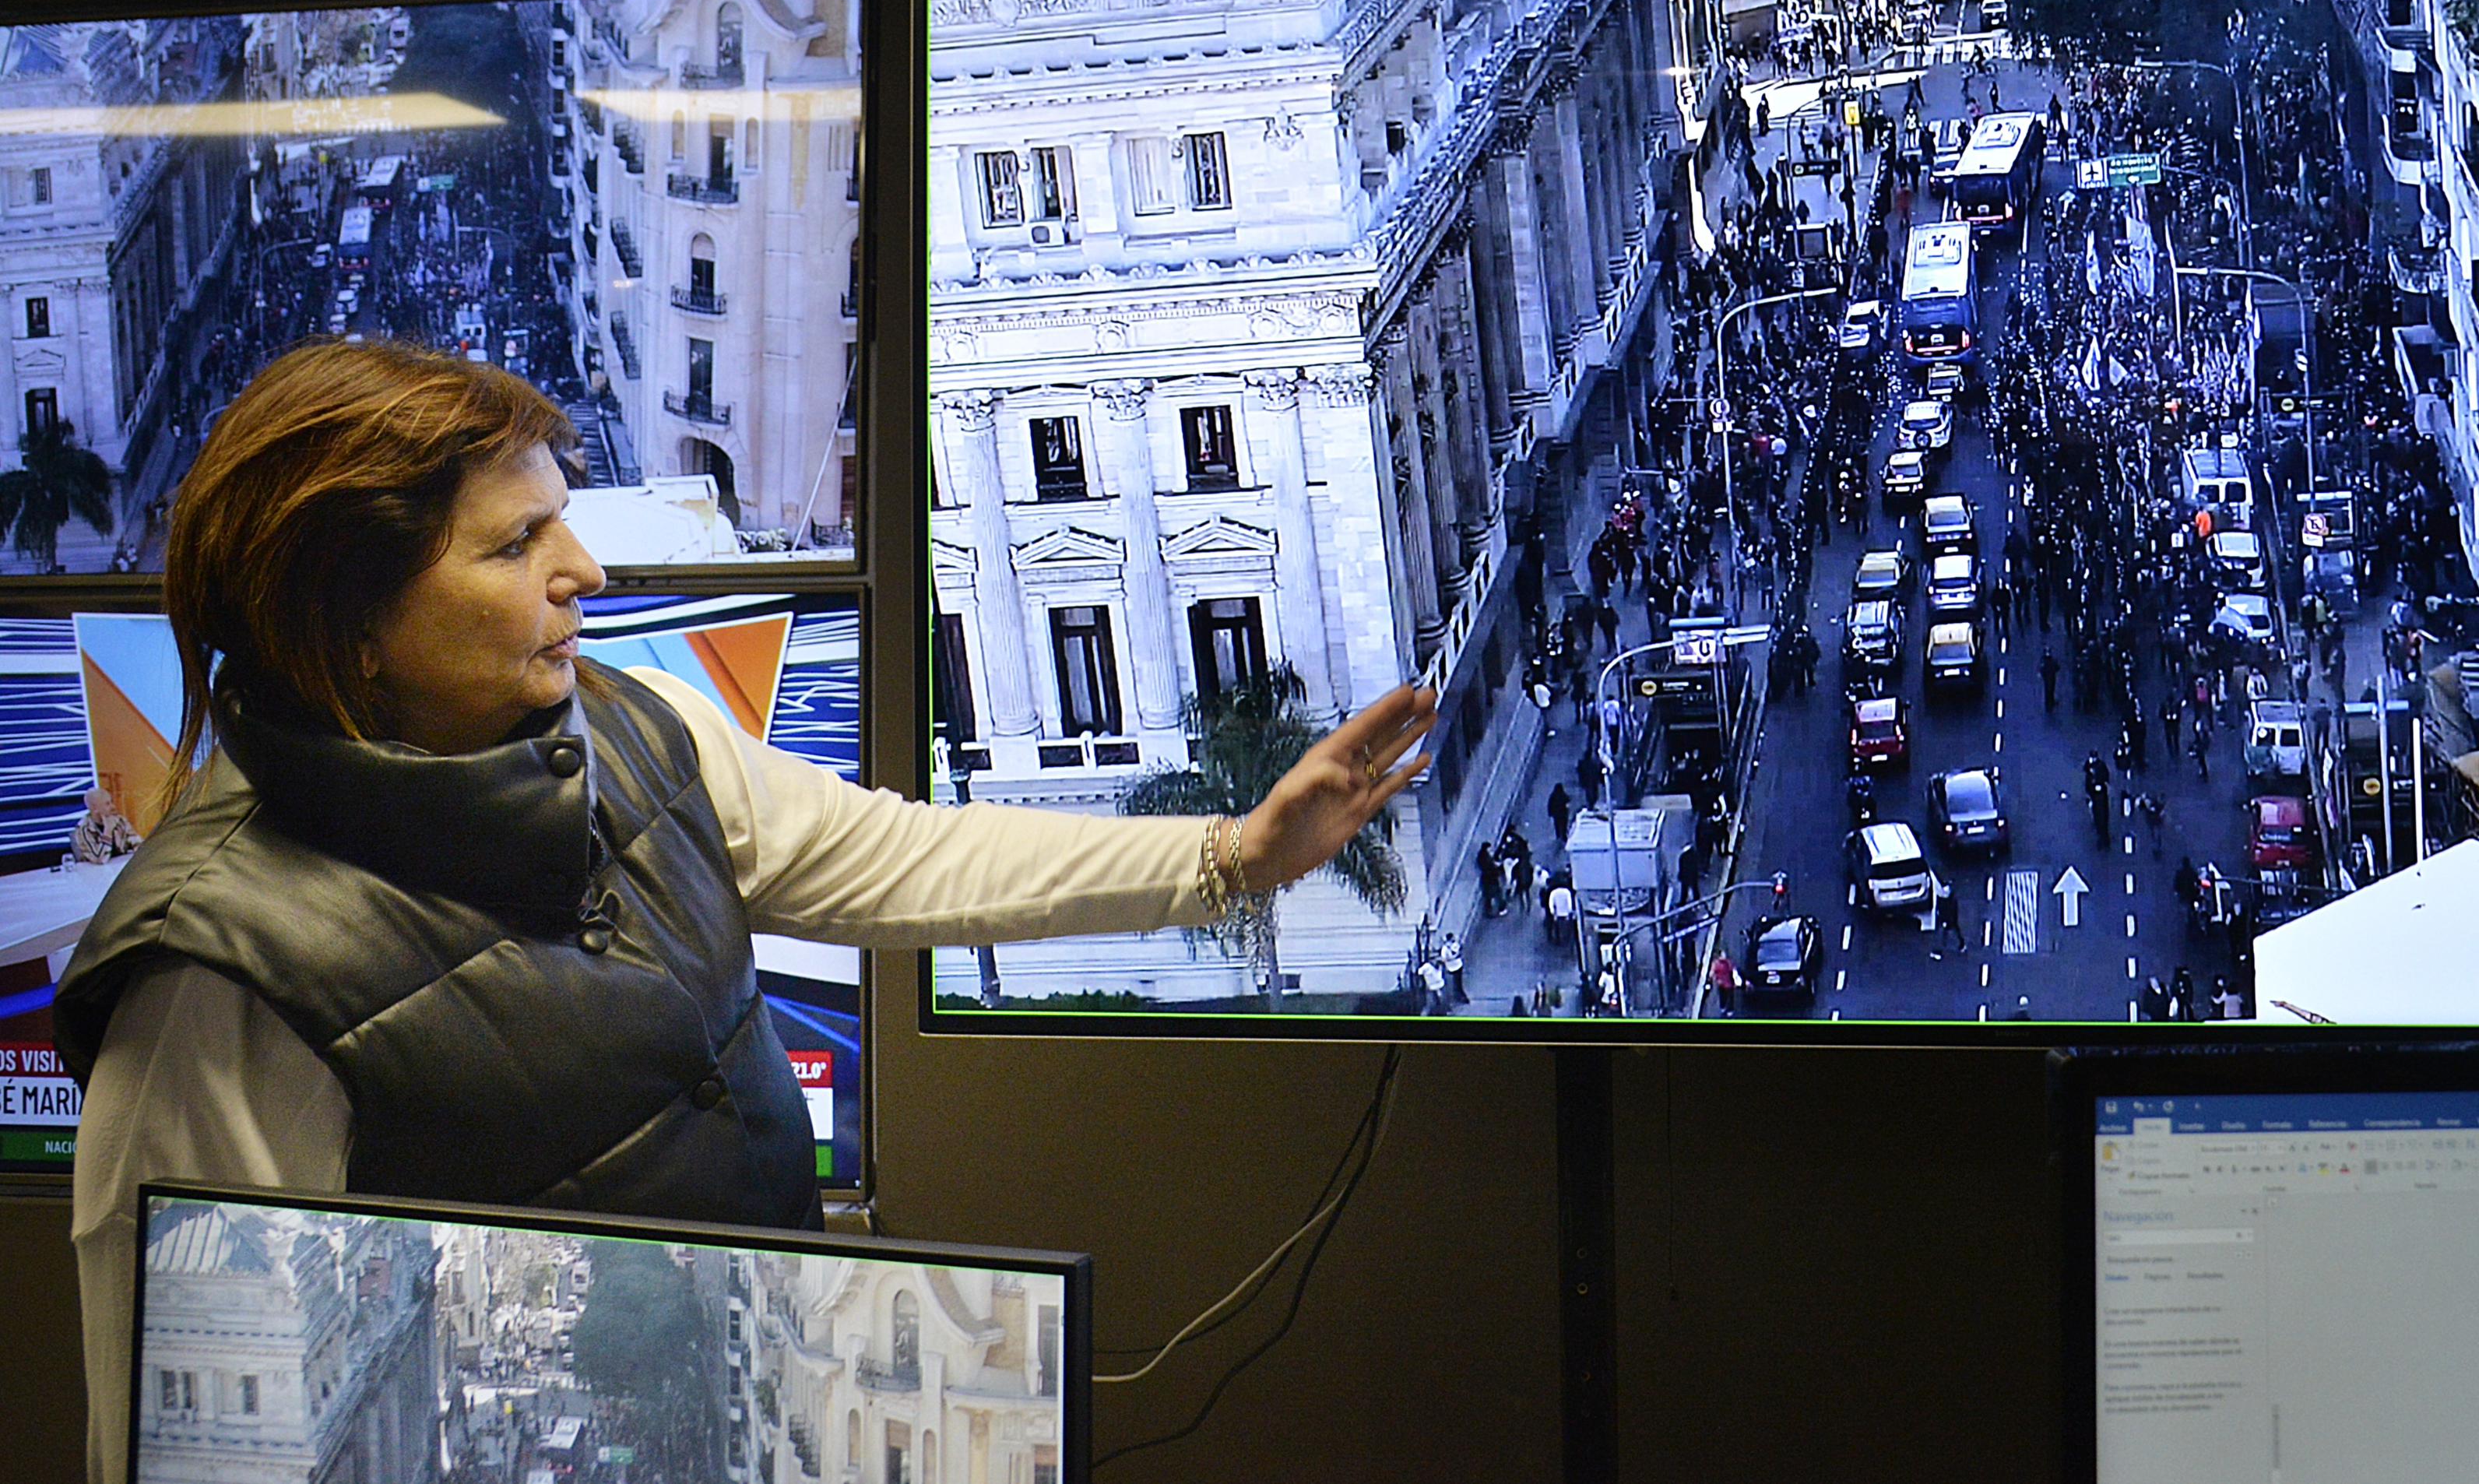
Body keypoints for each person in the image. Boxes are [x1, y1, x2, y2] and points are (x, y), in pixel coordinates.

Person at [52, 343, 1440, 1484]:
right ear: (346, 621)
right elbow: (187, 1430)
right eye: (516, 541)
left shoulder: (629, 730)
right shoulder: (212, 979)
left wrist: (1233, 856)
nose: (581, 569)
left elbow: (895, 857)